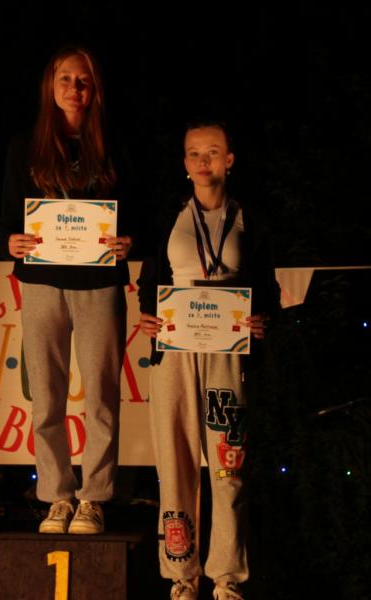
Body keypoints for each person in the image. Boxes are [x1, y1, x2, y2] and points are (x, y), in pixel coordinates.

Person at [0, 46, 135, 535]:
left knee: (101, 397)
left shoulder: (115, 145)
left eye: (83, 80)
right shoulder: (25, 147)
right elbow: (8, 218)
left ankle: (94, 498)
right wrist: (9, 240)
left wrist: (129, 240)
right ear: (49, 87)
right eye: (65, 79)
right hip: (42, 282)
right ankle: (57, 496)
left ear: (94, 89)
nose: (74, 88)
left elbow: (140, 212)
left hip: (99, 283)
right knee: (47, 397)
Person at [138, 121, 280, 600]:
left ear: (229, 160)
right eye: (195, 153)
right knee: (174, 460)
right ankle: (182, 572)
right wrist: (149, 316)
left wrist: (261, 319)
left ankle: (226, 576)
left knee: (227, 463)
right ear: (185, 163)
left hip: (226, 352)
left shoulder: (249, 220)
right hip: (175, 352)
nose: (204, 161)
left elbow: (268, 288)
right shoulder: (169, 215)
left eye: (213, 152)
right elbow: (150, 280)